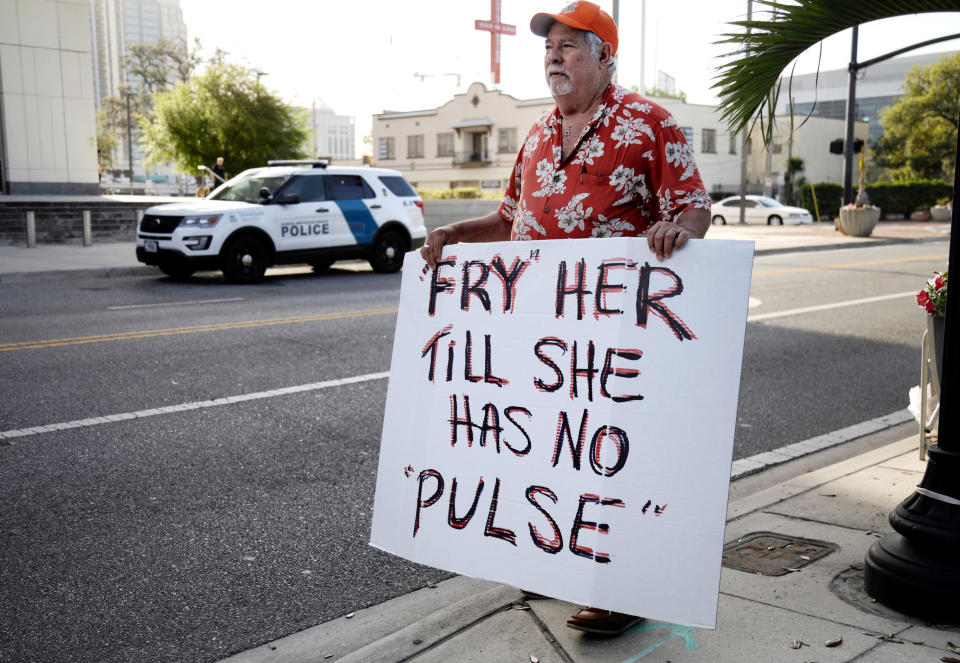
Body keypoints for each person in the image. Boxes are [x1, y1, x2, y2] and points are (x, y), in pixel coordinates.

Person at [421, 1, 712, 636]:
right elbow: (508, 220)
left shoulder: (649, 124)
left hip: (619, 336)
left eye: (570, 46)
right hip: (546, 335)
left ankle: (622, 588)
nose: (554, 56)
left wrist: (675, 227)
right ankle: (554, 556)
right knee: (553, 453)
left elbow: (694, 208)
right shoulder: (536, 135)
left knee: (611, 458)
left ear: (606, 57)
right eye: (549, 48)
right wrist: (455, 234)